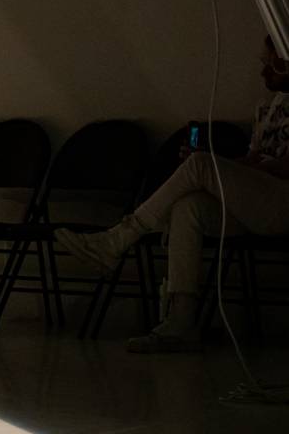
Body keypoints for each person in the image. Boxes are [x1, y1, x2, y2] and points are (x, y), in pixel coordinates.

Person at [56, 35, 289, 352]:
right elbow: (252, 161)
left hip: (281, 203)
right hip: (256, 202)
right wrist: (225, 164)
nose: (262, 74)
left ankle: (118, 239)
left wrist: (239, 166)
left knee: (198, 165)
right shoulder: (270, 107)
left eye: (269, 65)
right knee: (189, 206)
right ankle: (181, 320)